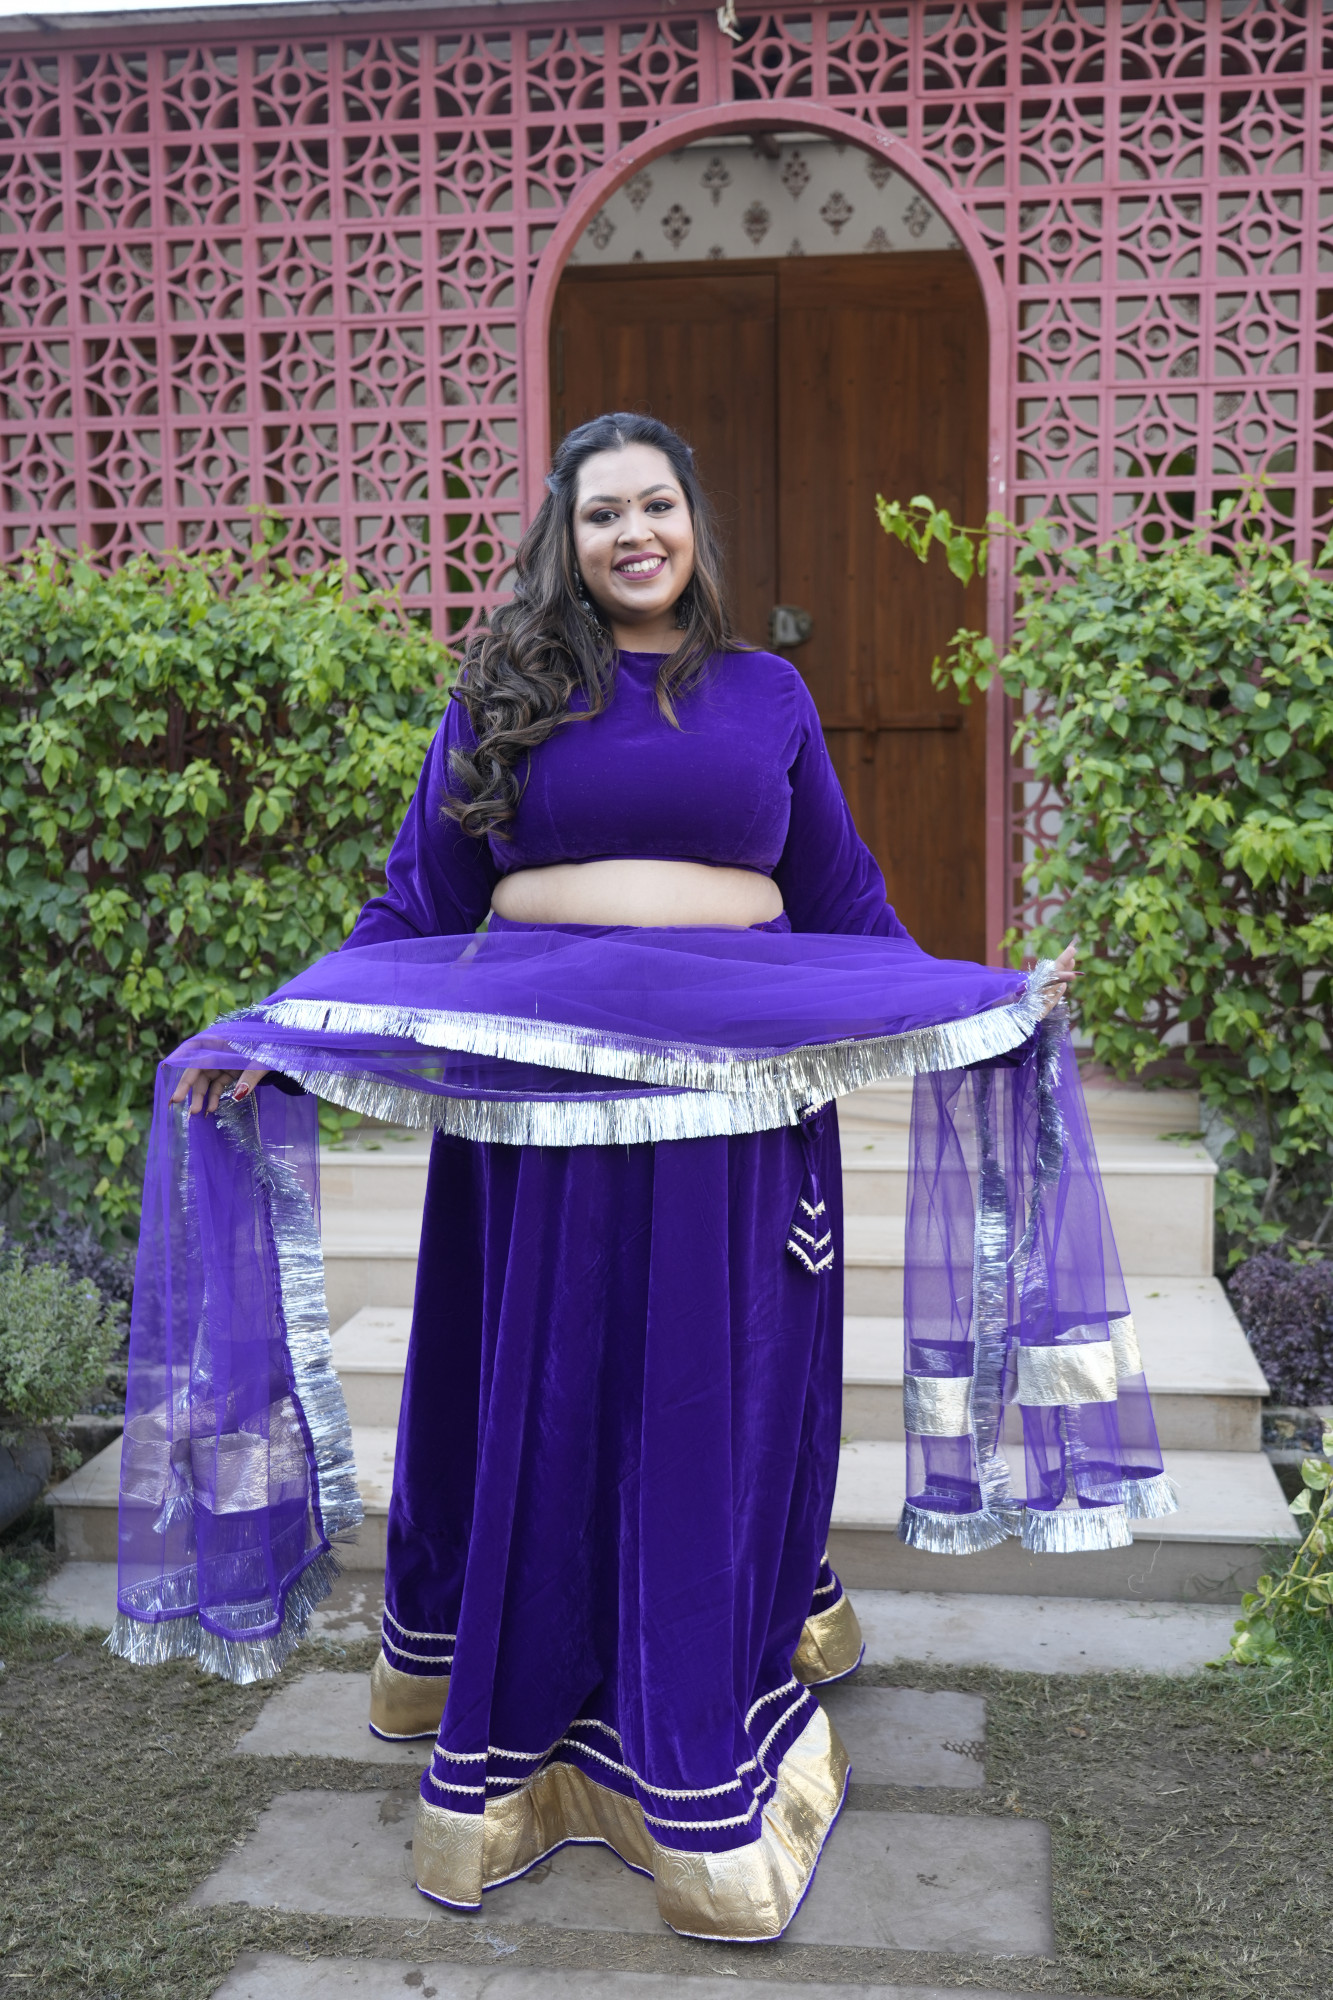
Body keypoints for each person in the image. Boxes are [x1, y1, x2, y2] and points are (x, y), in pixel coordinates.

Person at [134, 413, 1161, 1942]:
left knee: (708, 1391)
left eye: (657, 505)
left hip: (735, 1119)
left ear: (694, 525)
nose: (633, 533)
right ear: (566, 532)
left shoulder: (764, 695)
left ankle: (705, 1696)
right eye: (602, 510)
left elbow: (845, 900)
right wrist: (275, 1031)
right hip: (540, 1127)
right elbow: (418, 894)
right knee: (547, 1395)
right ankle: (526, 1715)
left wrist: (979, 998)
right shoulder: (505, 689)